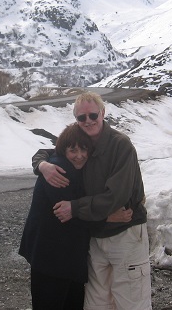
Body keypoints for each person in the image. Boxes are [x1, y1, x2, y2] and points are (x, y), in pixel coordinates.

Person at [32, 91, 152, 310]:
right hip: (96, 238)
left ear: (103, 113)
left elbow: (116, 196)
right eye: (81, 117)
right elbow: (52, 151)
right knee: (97, 302)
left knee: (132, 301)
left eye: (93, 115)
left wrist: (76, 208)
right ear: (76, 119)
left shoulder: (121, 145)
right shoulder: (83, 140)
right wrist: (42, 165)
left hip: (124, 232)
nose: (88, 121)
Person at [20, 123, 132, 310]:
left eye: (84, 149)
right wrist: (108, 217)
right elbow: (69, 216)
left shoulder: (61, 163)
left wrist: (41, 163)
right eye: (73, 150)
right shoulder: (60, 171)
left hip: (60, 255)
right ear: (64, 150)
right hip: (52, 256)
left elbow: (45, 151)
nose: (79, 155)